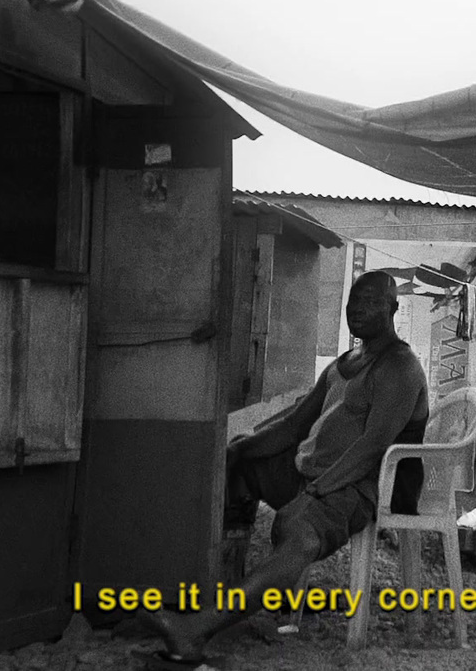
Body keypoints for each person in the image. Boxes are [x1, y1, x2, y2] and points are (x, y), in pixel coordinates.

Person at [142, 270, 429, 663]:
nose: (358, 309)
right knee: (242, 467)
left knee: (300, 533)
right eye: (353, 302)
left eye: (371, 302)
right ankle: (230, 597)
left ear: (394, 308)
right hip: (311, 472)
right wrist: (241, 448)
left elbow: (371, 448)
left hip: (360, 486)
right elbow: (295, 425)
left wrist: (315, 492)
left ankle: (196, 630)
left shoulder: (400, 366)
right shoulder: (345, 363)